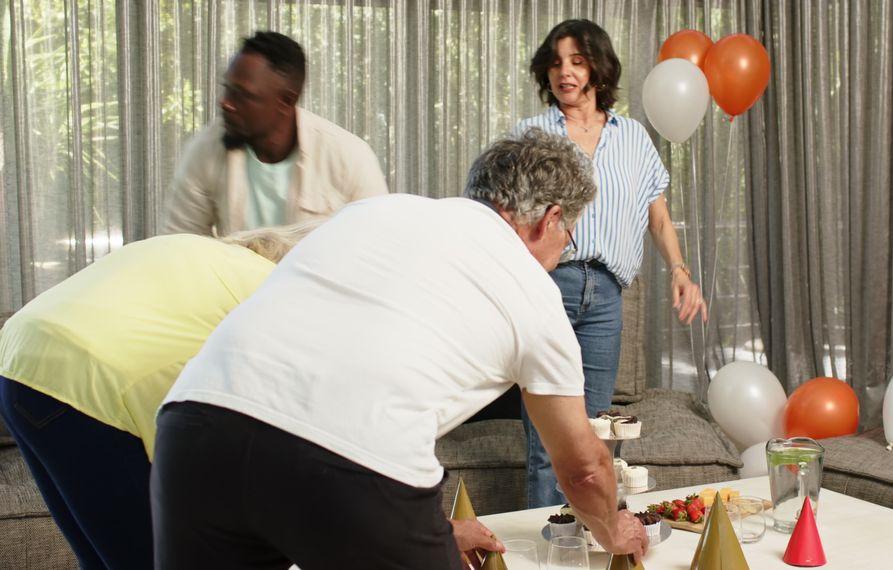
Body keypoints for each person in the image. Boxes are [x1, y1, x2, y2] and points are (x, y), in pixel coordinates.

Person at [150, 129, 649, 569]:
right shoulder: (536, 294)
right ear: (549, 219)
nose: (565, 249)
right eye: (570, 235)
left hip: (194, 428)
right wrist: (612, 529)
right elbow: (583, 467)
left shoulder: (374, 212)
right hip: (348, 463)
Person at [0, 222, 318, 570]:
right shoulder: (272, 291)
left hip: (19, 358)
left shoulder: (198, 252)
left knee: (100, 556)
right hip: (87, 382)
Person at [516, 19, 709, 508]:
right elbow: (504, 214)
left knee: (595, 433)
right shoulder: (531, 136)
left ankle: (586, 537)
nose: (565, 72)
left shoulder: (634, 139)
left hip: (606, 296)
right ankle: (548, 544)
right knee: (547, 440)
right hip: (547, 289)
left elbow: (658, 217)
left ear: (598, 69)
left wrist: (681, 273)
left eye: (577, 61)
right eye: (556, 62)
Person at [163, 30, 388, 236]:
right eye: (228, 88)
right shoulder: (205, 150)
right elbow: (178, 241)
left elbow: (378, 246)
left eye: (242, 95)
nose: (225, 103)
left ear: (286, 101)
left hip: (316, 281)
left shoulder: (349, 158)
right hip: (235, 281)